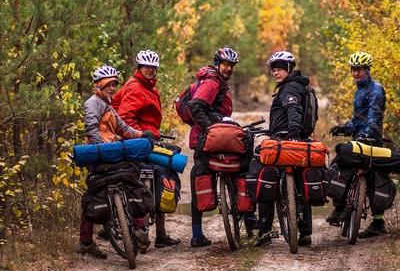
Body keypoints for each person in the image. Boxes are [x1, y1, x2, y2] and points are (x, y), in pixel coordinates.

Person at [77, 65, 154, 258]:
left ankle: (140, 230)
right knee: (93, 193)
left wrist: (140, 134)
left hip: (111, 152)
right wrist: (102, 148)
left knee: (131, 182)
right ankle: (86, 242)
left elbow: (122, 127)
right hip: (100, 154)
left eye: (114, 84)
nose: (112, 88)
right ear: (98, 85)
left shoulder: (109, 105)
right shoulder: (93, 103)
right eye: (108, 84)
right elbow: (91, 129)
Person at [111, 49, 181, 249]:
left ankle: (160, 234)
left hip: (144, 138)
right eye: (146, 67)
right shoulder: (136, 87)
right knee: (163, 171)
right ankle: (155, 233)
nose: (150, 70)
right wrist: (142, 134)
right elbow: (125, 119)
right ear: (139, 67)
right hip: (138, 142)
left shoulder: (146, 86)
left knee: (171, 160)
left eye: (153, 67)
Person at [188, 47, 256, 247]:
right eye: (226, 64)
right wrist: (212, 128)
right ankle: (248, 216)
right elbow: (195, 106)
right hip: (208, 138)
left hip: (210, 136)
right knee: (238, 166)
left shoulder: (217, 81)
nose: (229, 68)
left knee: (202, 173)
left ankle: (197, 234)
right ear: (217, 64)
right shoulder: (211, 82)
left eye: (232, 65)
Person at [327, 51, 387, 238]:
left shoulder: (375, 89)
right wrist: (344, 128)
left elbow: (373, 117)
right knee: (344, 167)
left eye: (359, 70)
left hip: (371, 139)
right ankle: (343, 207)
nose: (355, 74)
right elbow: (358, 120)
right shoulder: (360, 90)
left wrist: (366, 134)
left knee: (345, 164)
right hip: (361, 136)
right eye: (353, 70)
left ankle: (374, 221)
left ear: (367, 70)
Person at [257, 51, 314, 247]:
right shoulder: (298, 85)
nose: (276, 72)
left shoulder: (289, 88)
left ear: (290, 69)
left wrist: (293, 132)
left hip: (287, 139)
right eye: (273, 70)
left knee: (265, 176)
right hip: (296, 138)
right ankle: (305, 233)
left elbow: (293, 109)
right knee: (300, 183)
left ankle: (263, 230)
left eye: (280, 68)